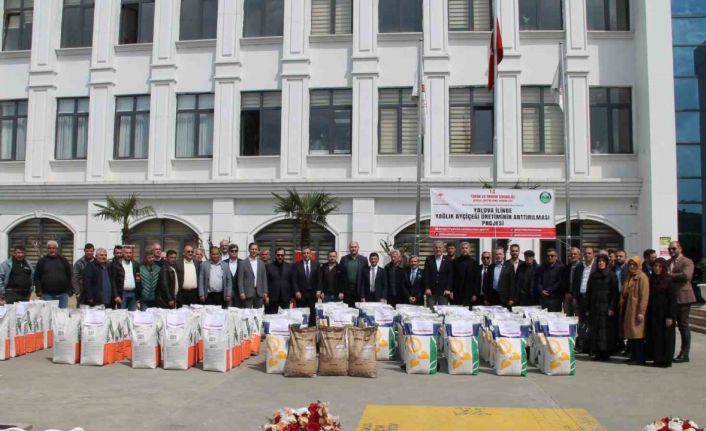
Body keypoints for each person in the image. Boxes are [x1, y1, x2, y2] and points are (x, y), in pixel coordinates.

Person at [585, 254, 619, 361]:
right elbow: (589, 292)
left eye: (603, 261)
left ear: (606, 263)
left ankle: (606, 353)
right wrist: (588, 308)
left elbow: (615, 294)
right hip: (595, 307)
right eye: (599, 261)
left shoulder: (612, 275)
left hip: (606, 308)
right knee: (596, 330)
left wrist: (612, 308)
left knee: (606, 331)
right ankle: (597, 352)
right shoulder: (593, 276)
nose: (601, 263)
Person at [667, 241, 696, 363]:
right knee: (669, 326)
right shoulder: (668, 262)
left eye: (673, 248)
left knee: (683, 326)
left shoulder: (687, 261)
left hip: (684, 298)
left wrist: (670, 275)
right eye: (669, 249)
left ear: (680, 248)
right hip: (671, 299)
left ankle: (685, 353)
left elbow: (686, 276)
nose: (671, 251)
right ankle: (668, 352)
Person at [645, 258, 677, 367]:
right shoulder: (651, 280)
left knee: (666, 337)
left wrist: (670, 316)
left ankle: (665, 360)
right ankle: (657, 358)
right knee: (656, 336)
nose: (657, 269)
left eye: (660, 267)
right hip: (654, 314)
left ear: (663, 268)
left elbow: (672, 301)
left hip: (665, 314)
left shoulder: (668, 281)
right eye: (655, 266)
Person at [620, 256, 649, 365]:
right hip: (629, 309)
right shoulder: (630, 277)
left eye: (634, 265)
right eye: (630, 264)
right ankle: (633, 356)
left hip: (637, 310)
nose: (632, 266)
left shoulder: (642, 277)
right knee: (632, 335)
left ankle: (639, 358)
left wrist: (641, 312)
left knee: (638, 336)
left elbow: (644, 295)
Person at [34, 241, 73, 309]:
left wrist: (70, 289)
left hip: (63, 295)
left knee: (62, 316)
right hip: (47, 295)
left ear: (56, 249)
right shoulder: (42, 261)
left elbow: (69, 275)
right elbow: (37, 277)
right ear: (47, 249)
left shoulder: (63, 260)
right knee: (49, 316)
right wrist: (38, 290)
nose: (51, 250)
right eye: (49, 248)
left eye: (53, 248)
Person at [572, 247, 596, 352]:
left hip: (592, 298)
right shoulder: (580, 266)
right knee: (581, 322)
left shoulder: (596, 266)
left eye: (589, 253)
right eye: (585, 253)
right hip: (581, 297)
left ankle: (591, 345)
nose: (587, 255)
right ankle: (583, 345)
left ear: (593, 254)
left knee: (591, 322)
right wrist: (575, 297)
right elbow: (575, 283)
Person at [238, 242, 268, 308]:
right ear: (249, 250)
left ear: (258, 251)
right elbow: (240, 280)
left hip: (259, 293)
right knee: (247, 314)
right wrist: (241, 292)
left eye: (255, 249)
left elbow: (264, 279)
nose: (254, 251)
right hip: (247, 293)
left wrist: (265, 291)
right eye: (252, 249)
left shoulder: (261, 263)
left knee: (258, 314)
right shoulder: (242, 263)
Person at [424, 240, 454, 306]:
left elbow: (450, 275)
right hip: (431, 291)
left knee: (443, 311)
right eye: (436, 247)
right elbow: (426, 274)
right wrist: (427, 288)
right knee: (430, 311)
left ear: (443, 248)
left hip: (444, 291)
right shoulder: (429, 259)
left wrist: (448, 289)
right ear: (433, 248)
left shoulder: (448, 259)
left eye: (440, 247)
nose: (438, 249)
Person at [293, 246, 319, 324]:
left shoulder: (316, 264)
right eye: (304, 253)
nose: (306, 255)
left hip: (313, 293)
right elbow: (294, 280)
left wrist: (319, 290)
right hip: (301, 294)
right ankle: (301, 329)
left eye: (308, 253)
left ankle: (312, 329)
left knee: (312, 313)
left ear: (310, 254)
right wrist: (296, 291)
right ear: (302, 254)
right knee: (301, 313)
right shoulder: (296, 265)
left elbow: (319, 279)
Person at [111, 245, 141, 311]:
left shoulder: (135, 264)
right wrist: (116, 295)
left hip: (133, 294)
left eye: (130, 253)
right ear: (123, 253)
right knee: (121, 316)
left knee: (132, 316)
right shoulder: (117, 265)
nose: (128, 254)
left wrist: (138, 295)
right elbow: (113, 281)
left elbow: (138, 280)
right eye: (126, 253)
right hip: (122, 294)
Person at [265, 247, 294, 313]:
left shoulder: (290, 266)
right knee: (271, 318)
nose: (280, 257)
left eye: (282, 255)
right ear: (275, 255)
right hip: (272, 297)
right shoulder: (268, 266)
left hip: (285, 297)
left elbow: (292, 282)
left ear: (284, 256)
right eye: (278, 255)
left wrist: (292, 296)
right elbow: (266, 282)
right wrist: (266, 296)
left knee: (285, 318)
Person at [452, 242, 478, 307]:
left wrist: (475, 294)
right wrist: (451, 291)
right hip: (457, 292)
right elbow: (452, 277)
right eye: (463, 248)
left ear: (469, 250)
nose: (464, 250)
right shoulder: (455, 262)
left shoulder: (474, 262)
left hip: (469, 293)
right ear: (460, 250)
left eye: (466, 248)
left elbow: (476, 279)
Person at [562, 247, 582, 316]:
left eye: (575, 254)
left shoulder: (583, 267)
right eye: (571, 254)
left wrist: (575, 295)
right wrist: (566, 292)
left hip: (578, 297)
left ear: (579, 255)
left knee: (578, 317)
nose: (573, 256)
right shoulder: (567, 267)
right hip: (568, 296)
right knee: (567, 318)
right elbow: (564, 281)